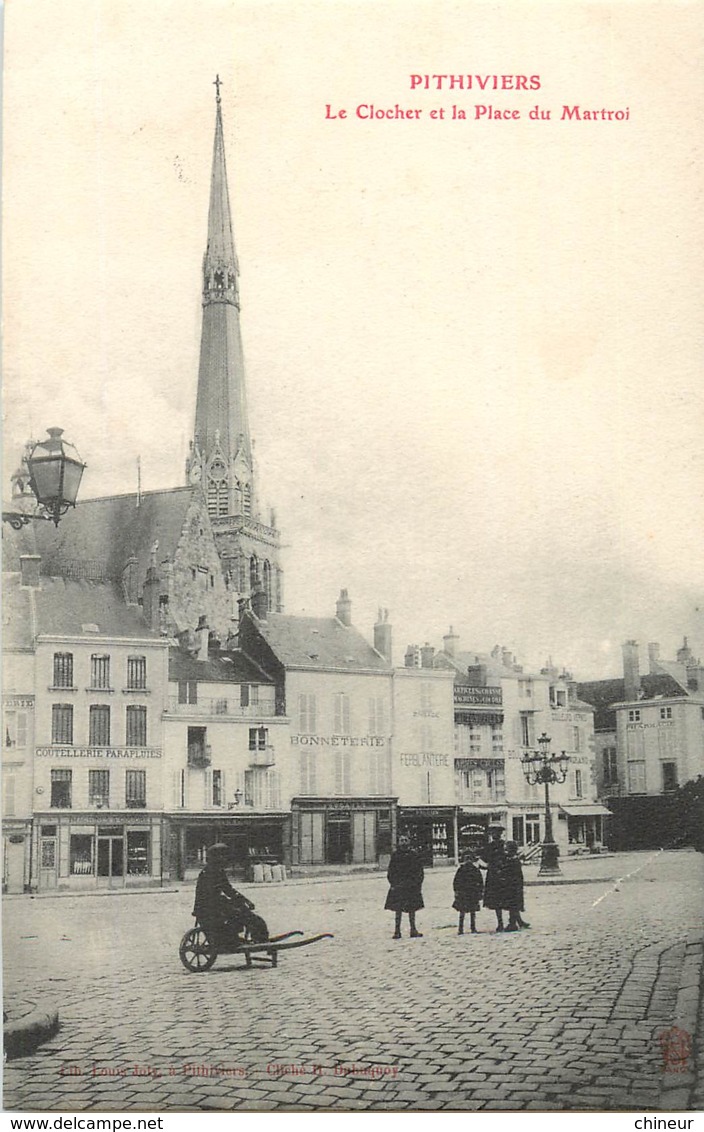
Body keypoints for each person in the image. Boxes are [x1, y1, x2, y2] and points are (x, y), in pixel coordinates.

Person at [193, 843, 269, 944]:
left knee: (243, 913)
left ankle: (238, 938)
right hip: (210, 909)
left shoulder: (213, 871)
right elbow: (225, 891)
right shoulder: (213, 873)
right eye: (225, 856)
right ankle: (257, 939)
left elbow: (228, 890)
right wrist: (241, 903)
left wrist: (244, 901)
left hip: (207, 907)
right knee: (247, 916)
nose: (227, 859)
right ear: (218, 857)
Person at [384, 835, 424, 939]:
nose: (404, 842)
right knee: (398, 910)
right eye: (402, 840)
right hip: (399, 886)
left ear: (409, 842)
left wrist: (417, 884)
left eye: (406, 840)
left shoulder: (414, 855)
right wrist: (393, 884)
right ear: (399, 842)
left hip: (411, 886)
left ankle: (413, 930)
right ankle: (397, 931)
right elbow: (391, 871)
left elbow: (419, 871)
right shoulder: (395, 855)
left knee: (412, 909)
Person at [478, 824, 508, 932]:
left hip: (498, 875)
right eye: (494, 833)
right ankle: (503, 922)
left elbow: (484, 861)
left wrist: (485, 866)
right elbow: (484, 860)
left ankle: (511, 921)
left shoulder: (500, 846)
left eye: (497, 833)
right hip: (498, 875)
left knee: (503, 899)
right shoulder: (495, 846)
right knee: (500, 899)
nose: (495, 835)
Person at [452, 850, 484, 934]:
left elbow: (480, 882)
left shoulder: (475, 870)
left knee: (472, 912)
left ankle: (472, 927)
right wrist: (456, 891)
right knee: (462, 912)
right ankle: (461, 928)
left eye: (470, 858)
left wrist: (480, 891)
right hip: (464, 893)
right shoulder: (461, 870)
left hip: (472, 893)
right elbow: (456, 882)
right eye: (467, 859)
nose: (468, 860)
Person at [502, 841, 530, 931]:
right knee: (514, 904)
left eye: (507, 849)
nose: (505, 850)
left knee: (512, 905)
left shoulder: (512, 860)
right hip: (515, 885)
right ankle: (519, 921)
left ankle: (512, 924)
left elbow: (511, 873)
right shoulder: (513, 859)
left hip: (512, 885)